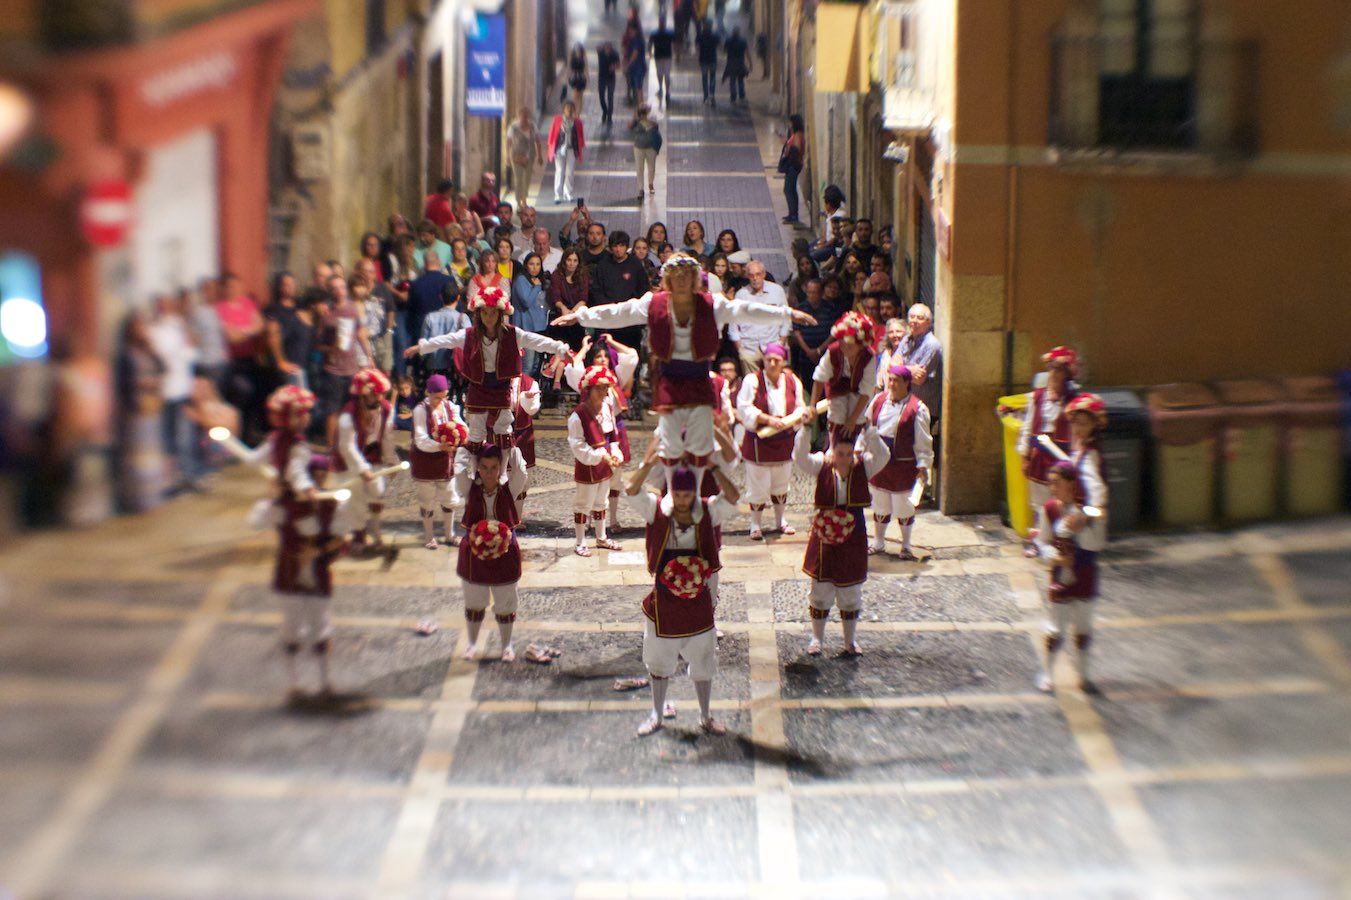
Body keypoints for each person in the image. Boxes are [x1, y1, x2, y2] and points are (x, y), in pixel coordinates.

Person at [553, 253, 814, 491]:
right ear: (667, 279)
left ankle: (699, 494)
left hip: (700, 382)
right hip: (669, 384)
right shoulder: (654, 303)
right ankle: (672, 495)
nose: (679, 282)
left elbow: (745, 310)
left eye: (685, 277)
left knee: (700, 443)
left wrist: (786, 313)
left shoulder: (711, 303)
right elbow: (619, 312)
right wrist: (581, 317)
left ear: (693, 279)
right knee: (670, 444)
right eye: (674, 277)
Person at [247, 386, 358, 698]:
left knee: (316, 624)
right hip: (291, 562)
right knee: (294, 625)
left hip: (310, 564)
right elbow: (294, 473)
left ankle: (321, 682)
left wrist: (288, 487)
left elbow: (257, 462)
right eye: (303, 413)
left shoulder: (278, 444)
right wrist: (300, 489)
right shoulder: (295, 447)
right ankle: (297, 683)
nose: (308, 418)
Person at [624, 456, 740, 737]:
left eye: (687, 495)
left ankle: (705, 716)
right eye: (677, 494)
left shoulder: (708, 510)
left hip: (698, 598)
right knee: (659, 657)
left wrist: (713, 467)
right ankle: (656, 714)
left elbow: (733, 497)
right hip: (664, 599)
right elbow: (631, 491)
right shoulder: (658, 511)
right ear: (670, 492)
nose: (682, 500)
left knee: (703, 657)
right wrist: (648, 462)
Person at [406, 284, 569, 456]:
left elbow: (537, 341)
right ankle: (475, 468)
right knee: (476, 432)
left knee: (504, 430)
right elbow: (446, 340)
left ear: (500, 314)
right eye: (484, 312)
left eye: (492, 312)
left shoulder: (513, 334)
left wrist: (561, 349)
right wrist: (421, 347)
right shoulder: (469, 335)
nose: (488, 317)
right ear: (478, 314)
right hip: (479, 387)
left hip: (501, 387)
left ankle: (504, 470)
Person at [793, 426, 891, 656]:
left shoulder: (864, 466)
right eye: (840, 454)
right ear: (832, 453)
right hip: (825, 536)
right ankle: (817, 639)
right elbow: (799, 457)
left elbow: (884, 455)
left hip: (853, 535)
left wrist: (870, 432)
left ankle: (850, 640)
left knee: (850, 589)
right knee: (821, 587)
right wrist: (807, 430)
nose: (845, 459)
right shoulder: (821, 466)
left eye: (848, 454)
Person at [1033, 460, 1108, 694]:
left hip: (1085, 576)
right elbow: (1041, 541)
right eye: (1051, 483)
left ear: (1071, 485)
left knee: (1083, 629)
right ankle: (1048, 673)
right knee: (1055, 630)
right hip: (1061, 578)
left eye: (1057, 483)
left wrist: (1082, 526)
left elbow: (1097, 543)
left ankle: (1083, 676)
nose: (1052, 488)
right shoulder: (1050, 509)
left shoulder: (1088, 514)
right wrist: (1054, 557)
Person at [454, 444, 530, 661]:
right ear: (477, 467)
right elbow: (459, 471)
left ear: (500, 467)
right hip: (474, 554)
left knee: (506, 600)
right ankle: (471, 644)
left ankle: (506, 645)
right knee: (474, 600)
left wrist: (513, 447)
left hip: (505, 553)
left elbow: (522, 472)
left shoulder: (509, 489)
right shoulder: (471, 489)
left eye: (493, 467)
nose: (488, 473)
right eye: (484, 467)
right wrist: (466, 449)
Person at [564, 333, 641, 530]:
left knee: (615, 477)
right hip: (591, 431)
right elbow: (572, 366)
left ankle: (613, 519)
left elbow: (632, 355)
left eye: (606, 357)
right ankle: (588, 519)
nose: (603, 360)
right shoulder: (584, 380)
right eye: (599, 357)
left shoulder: (616, 377)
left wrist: (612, 342)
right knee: (591, 476)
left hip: (615, 430)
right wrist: (584, 348)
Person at [737, 343, 804, 540]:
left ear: (783, 362)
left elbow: (800, 406)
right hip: (760, 440)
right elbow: (743, 407)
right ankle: (755, 523)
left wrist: (792, 419)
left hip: (784, 439)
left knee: (781, 482)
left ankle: (780, 520)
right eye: (769, 360)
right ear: (763, 361)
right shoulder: (752, 380)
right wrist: (767, 419)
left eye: (777, 360)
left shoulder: (792, 381)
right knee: (758, 484)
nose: (773, 363)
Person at [865, 364, 932, 559]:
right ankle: (878, 541)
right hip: (879, 463)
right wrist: (860, 449)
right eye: (890, 379)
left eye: (896, 381)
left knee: (904, 507)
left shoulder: (917, 409)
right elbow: (866, 427)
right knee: (880, 504)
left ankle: (906, 545)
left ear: (906, 384)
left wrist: (923, 465)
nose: (891, 384)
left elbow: (923, 441)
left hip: (902, 465)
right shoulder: (878, 400)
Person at [1018, 346, 1081, 541]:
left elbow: (1077, 432)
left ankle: (1060, 539)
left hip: (1060, 457)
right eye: (1052, 369)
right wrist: (1024, 456)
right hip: (1039, 456)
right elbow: (1028, 426)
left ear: (1067, 374)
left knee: (1060, 499)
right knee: (1038, 502)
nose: (1054, 374)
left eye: (1060, 370)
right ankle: (1039, 539)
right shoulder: (1037, 397)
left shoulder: (1073, 401)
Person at [332, 367, 398, 550]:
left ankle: (375, 531)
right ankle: (358, 535)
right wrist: (362, 469)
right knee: (356, 500)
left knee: (378, 492)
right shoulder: (348, 414)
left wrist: (392, 460)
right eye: (376, 395)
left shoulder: (385, 408)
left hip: (372, 454)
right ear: (363, 394)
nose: (380, 399)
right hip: (348, 461)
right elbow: (347, 447)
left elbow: (386, 437)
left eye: (382, 394)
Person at [568, 365, 626, 557]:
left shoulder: (608, 408)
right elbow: (577, 445)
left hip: (605, 465)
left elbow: (613, 436)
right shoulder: (578, 415)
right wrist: (600, 455)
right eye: (600, 387)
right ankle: (580, 542)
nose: (604, 391)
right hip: (587, 465)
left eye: (606, 387)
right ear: (589, 389)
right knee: (583, 503)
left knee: (602, 501)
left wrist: (615, 453)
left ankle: (601, 537)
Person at [149, 294, 201, 493]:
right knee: (168, 436)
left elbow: (190, 352)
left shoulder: (178, 326)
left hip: (182, 386)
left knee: (186, 434)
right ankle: (170, 480)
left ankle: (188, 475)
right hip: (166, 389)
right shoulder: (154, 330)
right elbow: (164, 356)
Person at [116, 311, 167, 512]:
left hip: (151, 406)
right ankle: (137, 500)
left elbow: (162, 368)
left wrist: (151, 346)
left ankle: (152, 496)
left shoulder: (147, 351)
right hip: (136, 408)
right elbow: (124, 383)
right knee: (138, 456)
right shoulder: (126, 354)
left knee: (152, 453)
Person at [410, 374, 468, 549]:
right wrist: (439, 446)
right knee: (427, 499)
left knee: (449, 497)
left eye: (444, 396)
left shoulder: (450, 407)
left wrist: (463, 435)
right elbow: (420, 439)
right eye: (437, 397)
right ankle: (429, 537)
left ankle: (450, 535)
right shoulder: (420, 410)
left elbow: (461, 425)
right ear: (428, 393)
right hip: (424, 460)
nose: (440, 401)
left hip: (445, 460)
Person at [316, 275, 373, 446]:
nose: (340, 291)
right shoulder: (326, 313)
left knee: (357, 407)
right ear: (330, 291)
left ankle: (357, 444)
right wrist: (330, 348)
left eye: (342, 286)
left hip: (352, 368)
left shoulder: (353, 309)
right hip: (333, 369)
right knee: (332, 410)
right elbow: (317, 344)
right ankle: (331, 447)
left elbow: (361, 334)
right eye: (335, 288)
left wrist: (369, 358)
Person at [808, 311, 877, 441]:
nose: (844, 348)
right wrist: (813, 406)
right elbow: (819, 378)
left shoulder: (868, 357)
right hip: (836, 390)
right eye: (842, 343)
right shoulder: (833, 351)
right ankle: (833, 445)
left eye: (850, 346)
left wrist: (852, 419)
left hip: (859, 394)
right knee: (836, 415)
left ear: (861, 346)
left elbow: (866, 390)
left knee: (857, 421)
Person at [590, 231, 650, 349]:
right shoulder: (603, 265)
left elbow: (643, 289)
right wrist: (608, 304)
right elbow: (596, 290)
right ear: (611, 247)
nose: (618, 249)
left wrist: (632, 306)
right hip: (608, 317)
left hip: (630, 319)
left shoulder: (635, 264)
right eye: (615, 246)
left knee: (631, 354)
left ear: (627, 247)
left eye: (621, 246)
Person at [730, 260, 790, 373]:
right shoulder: (741, 295)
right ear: (747, 276)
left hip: (773, 345)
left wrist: (781, 343)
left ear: (763, 274)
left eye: (758, 274)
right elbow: (733, 326)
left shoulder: (777, 291)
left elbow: (786, 319)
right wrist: (741, 350)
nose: (755, 278)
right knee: (752, 385)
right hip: (749, 349)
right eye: (751, 275)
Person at [406, 253, 454, 372]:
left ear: (425, 264)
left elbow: (411, 309)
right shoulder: (449, 280)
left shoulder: (416, 284)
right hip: (446, 331)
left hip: (422, 331)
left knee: (423, 371)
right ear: (438, 262)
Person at [898, 303, 943, 427]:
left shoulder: (932, 345)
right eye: (912, 317)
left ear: (928, 323)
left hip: (922, 409)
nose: (914, 321)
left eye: (919, 318)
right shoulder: (907, 339)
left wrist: (899, 369)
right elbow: (891, 366)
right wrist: (909, 370)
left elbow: (917, 379)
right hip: (903, 405)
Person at [422, 281, 470, 380]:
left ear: (441, 297)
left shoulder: (430, 317)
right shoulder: (462, 318)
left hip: (433, 366)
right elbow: (469, 343)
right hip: (454, 368)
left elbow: (424, 346)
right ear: (458, 298)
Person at [512, 253, 550, 377]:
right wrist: (537, 286)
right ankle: (520, 392)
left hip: (539, 328)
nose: (535, 267)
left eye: (538, 264)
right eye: (531, 264)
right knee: (527, 366)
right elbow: (526, 301)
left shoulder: (541, 281)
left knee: (536, 364)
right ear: (526, 265)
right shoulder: (521, 280)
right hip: (525, 328)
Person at [548, 247, 590, 352]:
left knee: (576, 350)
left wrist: (572, 313)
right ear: (564, 261)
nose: (572, 263)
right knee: (559, 351)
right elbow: (556, 297)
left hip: (576, 316)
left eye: (575, 261)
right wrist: (563, 309)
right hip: (560, 315)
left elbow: (583, 299)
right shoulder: (557, 275)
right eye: (569, 260)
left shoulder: (583, 276)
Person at [548, 100, 584, 204]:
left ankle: (568, 192)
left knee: (570, 171)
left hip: (571, 149)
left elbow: (580, 136)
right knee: (559, 171)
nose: (569, 111)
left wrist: (580, 149)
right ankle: (558, 194)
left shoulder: (577, 122)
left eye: (571, 109)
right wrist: (551, 148)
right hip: (559, 149)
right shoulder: (557, 120)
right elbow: (552, 135)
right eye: (567, 108)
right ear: (563, 110)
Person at [779, 115, 808, 225]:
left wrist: (786, 144)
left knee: (788, 189)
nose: (789, 125)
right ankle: (792, 213)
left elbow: (796, 149)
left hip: (793, 166)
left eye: (791, 123)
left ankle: (793, 214)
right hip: (794, 166)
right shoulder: (797, 134)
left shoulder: (797, 135)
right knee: (790, 189)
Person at [629, 104, 662, 198]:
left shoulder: (652, 120)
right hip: (638, 147)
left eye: (644, 112)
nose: (643, 115)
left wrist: (651, 121)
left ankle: (651, 184)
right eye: (641, 113)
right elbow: (629, 126)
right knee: (639, 168)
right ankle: (641, 189)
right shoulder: (636, 121)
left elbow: (656, 127)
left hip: (650, 148)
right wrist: (634, 118)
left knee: (651, 167)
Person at [649, 14, 675, 103]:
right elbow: (674, 43)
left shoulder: (655, 33)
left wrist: (649, 52)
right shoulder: (669, 33)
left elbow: (650, 43)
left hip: (661, 56)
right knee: (663, 74)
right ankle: (665, 90)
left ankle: (663, 90)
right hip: (665, 56)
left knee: (662, 74)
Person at [875, 317, 907, 390]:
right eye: (891, 332)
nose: (895, 335)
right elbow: (879, 382)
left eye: (898, 331)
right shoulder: (884, 354)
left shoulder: (908, 354)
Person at [622, 19, 647, 105]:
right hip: (636, 68)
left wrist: (627, 65)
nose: (629, 32)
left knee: (638, 89)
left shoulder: (636, 40)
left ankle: (641, 108)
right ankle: (639, 109)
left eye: (631, 30)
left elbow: (634, 54)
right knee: (637, 89)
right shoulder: (634, 40)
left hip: (638, 68)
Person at [722, 26, 750, 103]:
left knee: (732, 80)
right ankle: (742, 95)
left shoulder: (728, 41)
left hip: (731, 62)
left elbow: (724, 51)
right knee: (740, 80)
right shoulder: (743, 41)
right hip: (740, 62)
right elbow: (747, 52)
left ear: (732, 33)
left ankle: (733, 95)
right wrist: (750, 63)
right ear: (739, 33)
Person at [696, 19, 720, 105]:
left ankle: (706, 96)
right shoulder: (715, 35)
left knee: (704, 78)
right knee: (712, 77)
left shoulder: (700, 35)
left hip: (703, 59)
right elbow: (719, 46)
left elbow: (697, 47)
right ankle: (712, 94)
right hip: (713, 58)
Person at [597, 42, 620, 127]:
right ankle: (605, 111)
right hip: (601, 78)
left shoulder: (614, 54)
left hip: (611, 78)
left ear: (611, 49)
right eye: (605, 48)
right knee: (601, 97)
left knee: (610, 98)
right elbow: (597, 47)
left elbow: (618, 65)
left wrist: (614, 67)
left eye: (608, 48)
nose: (607, 50)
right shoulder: (601, 53)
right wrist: (602, 46)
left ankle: (609, 116)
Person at [566, 43, 588, 109]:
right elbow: (569, 67)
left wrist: (587, 78)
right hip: (574, 77)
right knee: (575, 96)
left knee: (580, 96)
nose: (578, 51)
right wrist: (567, 77)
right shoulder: (572, 57)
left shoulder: (583, 58)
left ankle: (578, 114)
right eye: (577, 50)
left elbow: (586, 68)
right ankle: (574, 111)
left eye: (579, 50)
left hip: (581, 77)